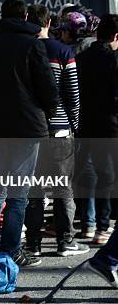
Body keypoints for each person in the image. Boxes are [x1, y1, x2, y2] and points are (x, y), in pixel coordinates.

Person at [0, 0, 59, 267]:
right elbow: (47, 88)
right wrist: (47, 111)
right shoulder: (33, 45)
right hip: (27, 127)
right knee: (18, 193)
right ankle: (11, 249)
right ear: (25, 18)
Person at [23, 4, 88, 257]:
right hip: (60, 129)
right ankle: (65, 240)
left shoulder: (23, 50)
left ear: (28, 20)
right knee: (63, 188)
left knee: (35, 189)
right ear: (49, 22)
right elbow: (73, 95)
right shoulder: (62, 51)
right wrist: (74, 125)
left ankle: (33, 243)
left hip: (32, 129)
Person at [76, 14, 118, 246]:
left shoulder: (81, 57)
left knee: (87, 173)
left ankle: (88, 226)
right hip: (109, 125)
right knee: (108, 177)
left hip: (85, 122)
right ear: (115, 36)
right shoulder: (113, 59)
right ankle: (103, 227)